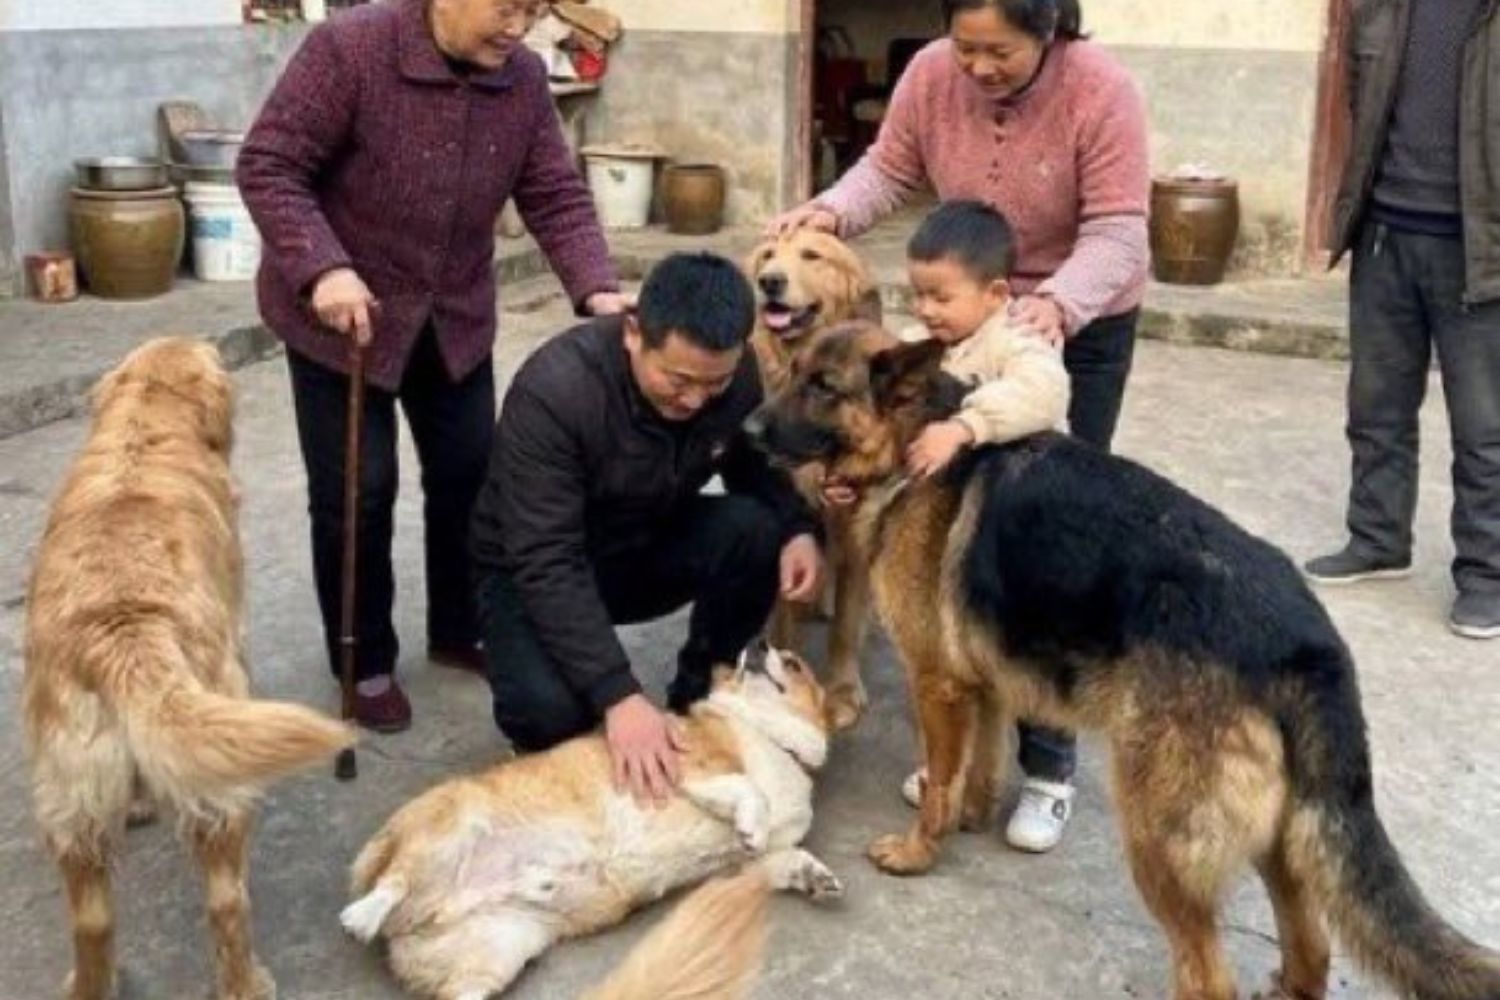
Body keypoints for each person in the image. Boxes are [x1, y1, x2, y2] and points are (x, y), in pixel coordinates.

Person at [771, 0, 1148, 852]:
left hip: (1066, 328)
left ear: (1050, 31)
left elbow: (1121, 227)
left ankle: (1048, 767)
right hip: (960, 318)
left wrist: (1056, 305)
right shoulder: (931, 74)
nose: (977, 68)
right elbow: (886, 168)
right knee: (942, 544)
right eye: (965, 47)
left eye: (1000, 52)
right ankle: (965, 764)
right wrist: (826, 213)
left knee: (1039, 548)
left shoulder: (1101, 89)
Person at [237, 0, 631, 733]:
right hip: (342, 318)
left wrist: (597, 288)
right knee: (359, 489)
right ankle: (364, 659)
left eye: (535, 10)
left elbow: (553, 191)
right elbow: (269, 165)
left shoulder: (519, 80)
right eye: (507, 9)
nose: (520, 28)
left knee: (471, 476)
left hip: (452, 318)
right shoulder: (349, 50)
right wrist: (322, 268)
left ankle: (460, 625)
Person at [469, 253, 824, 804]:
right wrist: (619, 696)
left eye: (715, 383)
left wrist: (799, 529)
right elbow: (546, 558)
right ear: (634, 332)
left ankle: (699, 694)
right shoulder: (557, 393)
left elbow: (755, 471)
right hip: (532, 572)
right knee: (551, 716)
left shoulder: (734, 375)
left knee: (755, 529)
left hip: (641, 545)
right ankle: (573, 696)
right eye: (677, 380)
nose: (695, 399)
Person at [1303, 0, 1500, 641]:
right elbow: (1362, 107)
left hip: (1479, 249)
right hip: (1387, 231)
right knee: (1376, 406)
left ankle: (1487, 575)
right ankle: (1378, 538)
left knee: (1485, 425)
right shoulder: (1384, 8)